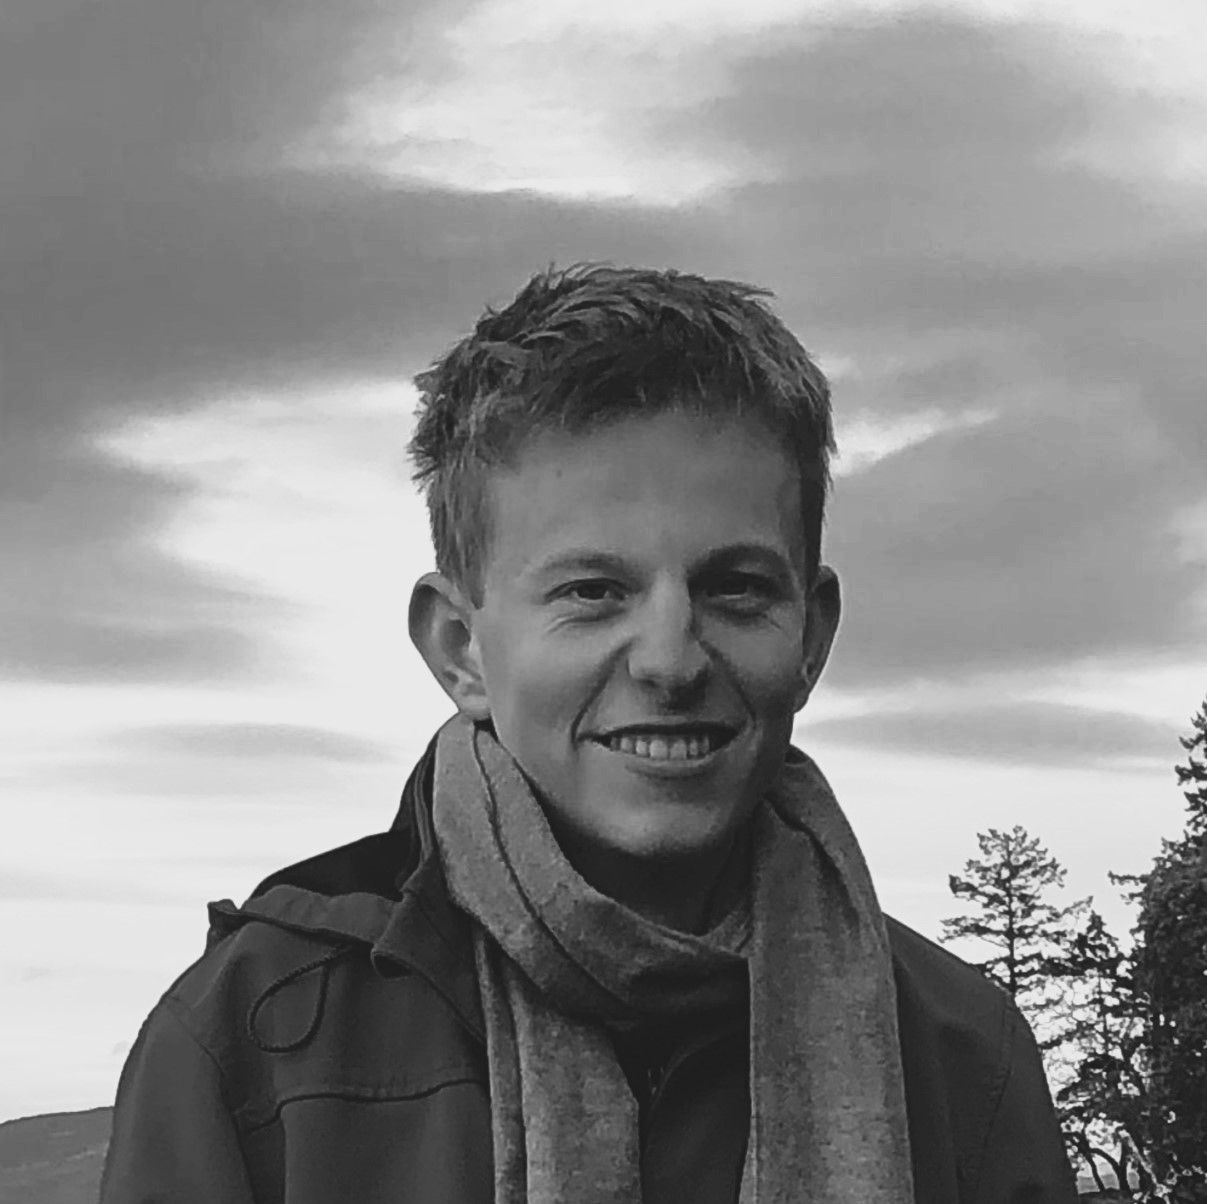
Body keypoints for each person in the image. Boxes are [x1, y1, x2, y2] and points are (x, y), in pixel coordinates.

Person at [100, 264, 1077, 1203]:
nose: (668, 658)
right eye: (591, 591)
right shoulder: (261, 1039)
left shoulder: (955, 1057)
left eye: (734, 587)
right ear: (461, 649)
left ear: (811, 635)